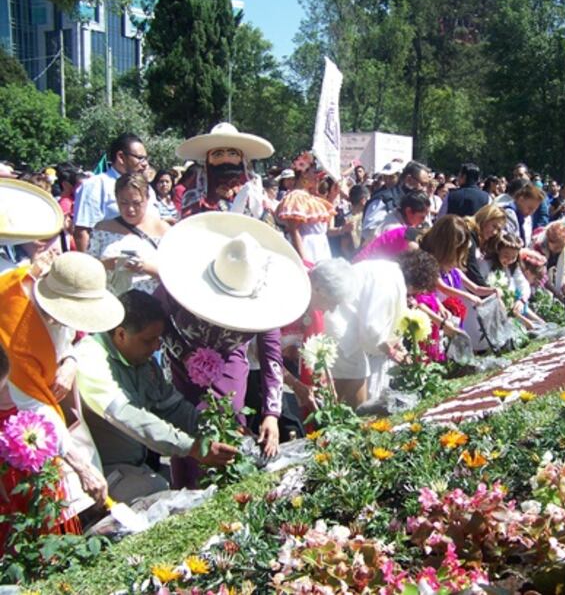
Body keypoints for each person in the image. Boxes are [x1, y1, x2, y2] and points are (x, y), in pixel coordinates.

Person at [154, 212, 311, 489]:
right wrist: (185, 354)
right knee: (187, 438)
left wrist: (271, 414)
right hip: (183, 371)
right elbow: (158, 322)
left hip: (231, 371)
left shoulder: (265, 297)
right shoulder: (181, 281)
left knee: (228, 435)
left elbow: (271, 356)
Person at [74, 290, 237, 503]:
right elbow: (129, 416)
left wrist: (216, 428)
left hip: (135, 464)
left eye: (158, 339)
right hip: (98, 471)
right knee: (158, 495)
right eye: (148, 340)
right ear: (121, 334)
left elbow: (173, 406)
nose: (156, 347)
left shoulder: (143, 362)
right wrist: (193, 447)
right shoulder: (91, 357)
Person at [0, 252, 124, 520]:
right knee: (30, 497)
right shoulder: (15, 325)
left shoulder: (46, 291)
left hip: (37, 400)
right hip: (13, 413)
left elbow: (64, 341)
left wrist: (69, 361)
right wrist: (82, 467)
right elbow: (33, 408)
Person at [308, 256, 411, 408]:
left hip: (343, 329)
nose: (331, 309)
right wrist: (390, 351)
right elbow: (371, 328)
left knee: (354, 378)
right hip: (340, 333)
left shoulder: (384, 271)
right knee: (349, 385)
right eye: (332, 304)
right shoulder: (388, 277)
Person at [88, 174, 170, 296]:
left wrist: (144, 266)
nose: (130, 209)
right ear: (116, 199)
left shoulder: (164, 230)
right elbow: (87, 269)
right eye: (124, 203)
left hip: (152, 305)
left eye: (136, 203)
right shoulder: (102, 229)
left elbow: (174, 274)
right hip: (110, 302)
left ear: (147, 198)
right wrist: (106, 264)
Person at [176, 123, 274, 218]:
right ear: (208, 160)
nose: (226, 159)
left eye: (232, 154)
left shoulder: (254, 188)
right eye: (218, 154)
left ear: (241, 158)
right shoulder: (196, 189)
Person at [74, 133, 150, 252]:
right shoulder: (95, 185)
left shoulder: (147, 188)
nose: (145, 164)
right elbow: (82, 232)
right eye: (140, 158)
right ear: (121, 157)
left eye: (146, 158)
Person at [361, 161, 430, 245]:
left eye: (427, 185)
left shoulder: (421, 203)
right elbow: (369, 233)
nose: (424, 189)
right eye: (422, 184)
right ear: (408, 179)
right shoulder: (384, 200)